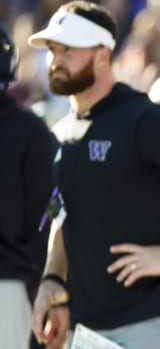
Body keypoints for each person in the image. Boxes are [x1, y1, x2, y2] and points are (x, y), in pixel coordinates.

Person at [27, 0, 160, 349]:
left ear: (102, 55)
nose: (55, 59)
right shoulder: (62, 131)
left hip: (152, 319)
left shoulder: (143, 119)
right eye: (52, 49)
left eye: (68, 50)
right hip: (88, 327)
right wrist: (53, 280)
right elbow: (62, 216)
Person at [0, 25, 55, 349]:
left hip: (8, 284)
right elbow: (42, 220)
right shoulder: (28, 128)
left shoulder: (27, 129)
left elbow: (42, 219)